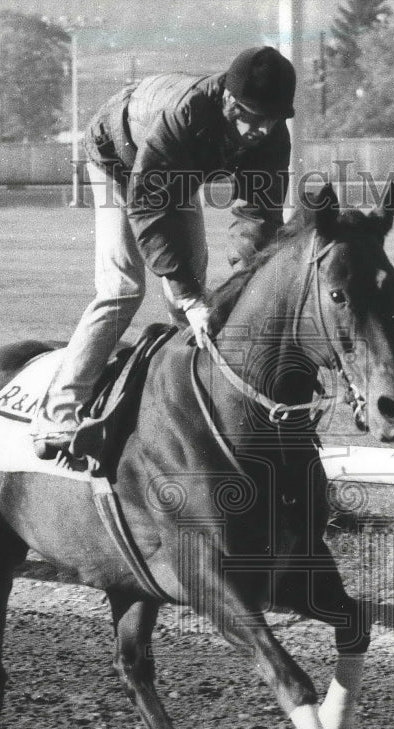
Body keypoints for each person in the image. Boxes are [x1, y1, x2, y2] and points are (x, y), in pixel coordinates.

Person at [31, 46, 296, 458]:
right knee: (122, 290)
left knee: (193, 303)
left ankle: (188, 413)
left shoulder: (271, 136)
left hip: (172, 172)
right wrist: (188, 294)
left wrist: (245, 286)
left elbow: (258, 217)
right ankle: (56, 417)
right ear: (228, 100)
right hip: (117, 158)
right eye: (254, 117)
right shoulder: (186, 115)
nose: (263, 129)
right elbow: (148, 203)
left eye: (274, 119)